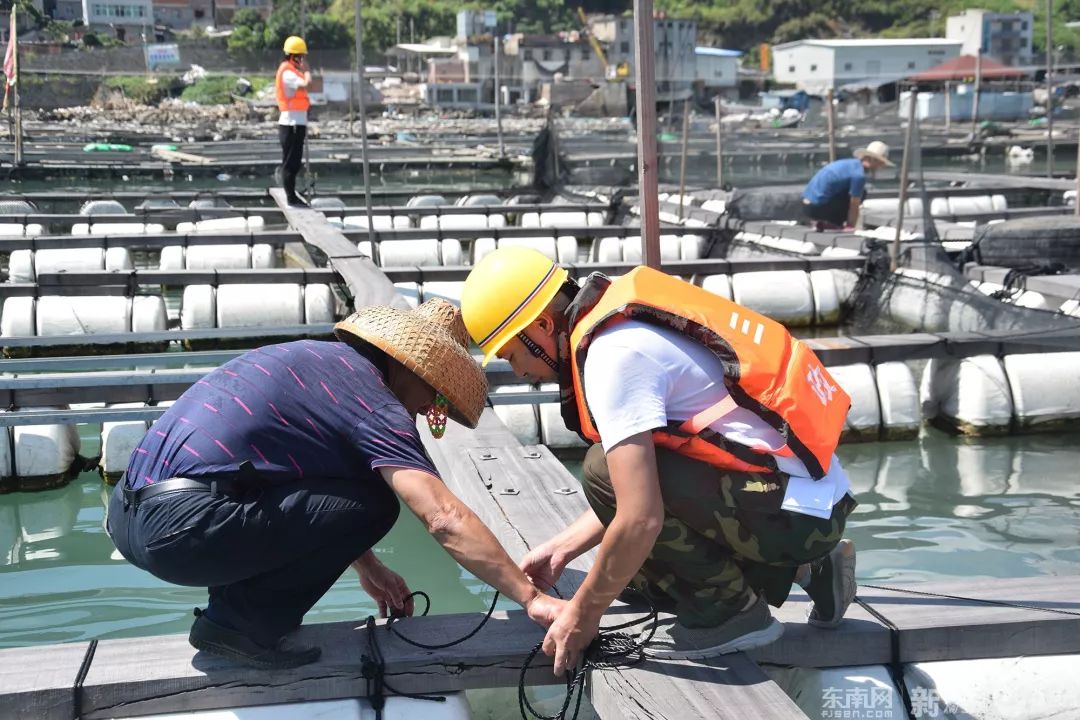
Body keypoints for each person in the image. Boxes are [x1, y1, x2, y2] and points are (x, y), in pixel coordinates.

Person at [460, 247, 858, 674]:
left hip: (796, 517)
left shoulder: (612, 358)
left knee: (601, 474)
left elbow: (640, 516)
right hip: (804, 505)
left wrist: (582, 615)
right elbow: (657, 488)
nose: (519, 372)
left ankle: (733, 612)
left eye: (512, 355)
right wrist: (563, 547)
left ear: (540, 326)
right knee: (637, 577)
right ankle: (810, 569)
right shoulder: (619, 325)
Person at [106, 299, 562, 669]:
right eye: (437, 394)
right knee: (380, 502)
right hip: (181, 531)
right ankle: (237, 625)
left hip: (127, 515)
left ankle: (233, 617)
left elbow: (295, 489)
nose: (430, 411)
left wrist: (369, 567)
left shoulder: (319, 361)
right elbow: (442, 516)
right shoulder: (377, 404)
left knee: (357, 491)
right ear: (412, 369)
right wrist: (532, 599)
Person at [802, 140, 894, 230]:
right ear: (873, 160)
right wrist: (852, 226)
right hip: (817, 208)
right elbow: (854, 203)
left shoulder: (849, 164)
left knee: (850, 192)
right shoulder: (859, 175)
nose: (881, 167)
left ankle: (828, 223)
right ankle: (840, 224)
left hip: (806, 205)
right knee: (861, 193)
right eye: (881, 163)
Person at [276, 35, 312, 206]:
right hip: (291, 124)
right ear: (293, 56)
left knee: (295, 162)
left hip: (296, 123)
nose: (302, 60)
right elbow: (307, 84)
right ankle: (290, 197)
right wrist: (308, 71)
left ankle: (292, 194)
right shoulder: (288, 72)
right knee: (291, 162)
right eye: (300, 56)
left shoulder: (292, 71)